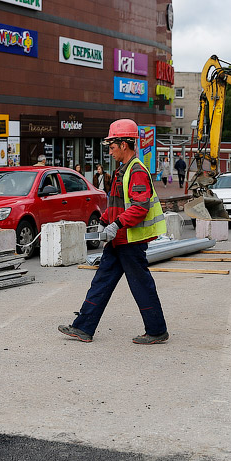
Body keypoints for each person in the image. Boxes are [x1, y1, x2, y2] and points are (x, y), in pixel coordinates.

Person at [58, 119, 169, 344]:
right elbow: (117, 204)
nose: (109, 151)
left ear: (124, 145)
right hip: (119, 240)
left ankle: (157, 331)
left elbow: (140, 207)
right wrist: (103, 221)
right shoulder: (122, 170)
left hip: (130, 240)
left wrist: (116, 225)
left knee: (140, 285)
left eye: (112, 146)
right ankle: (84, 328)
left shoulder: (136, 171)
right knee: (101, 282)